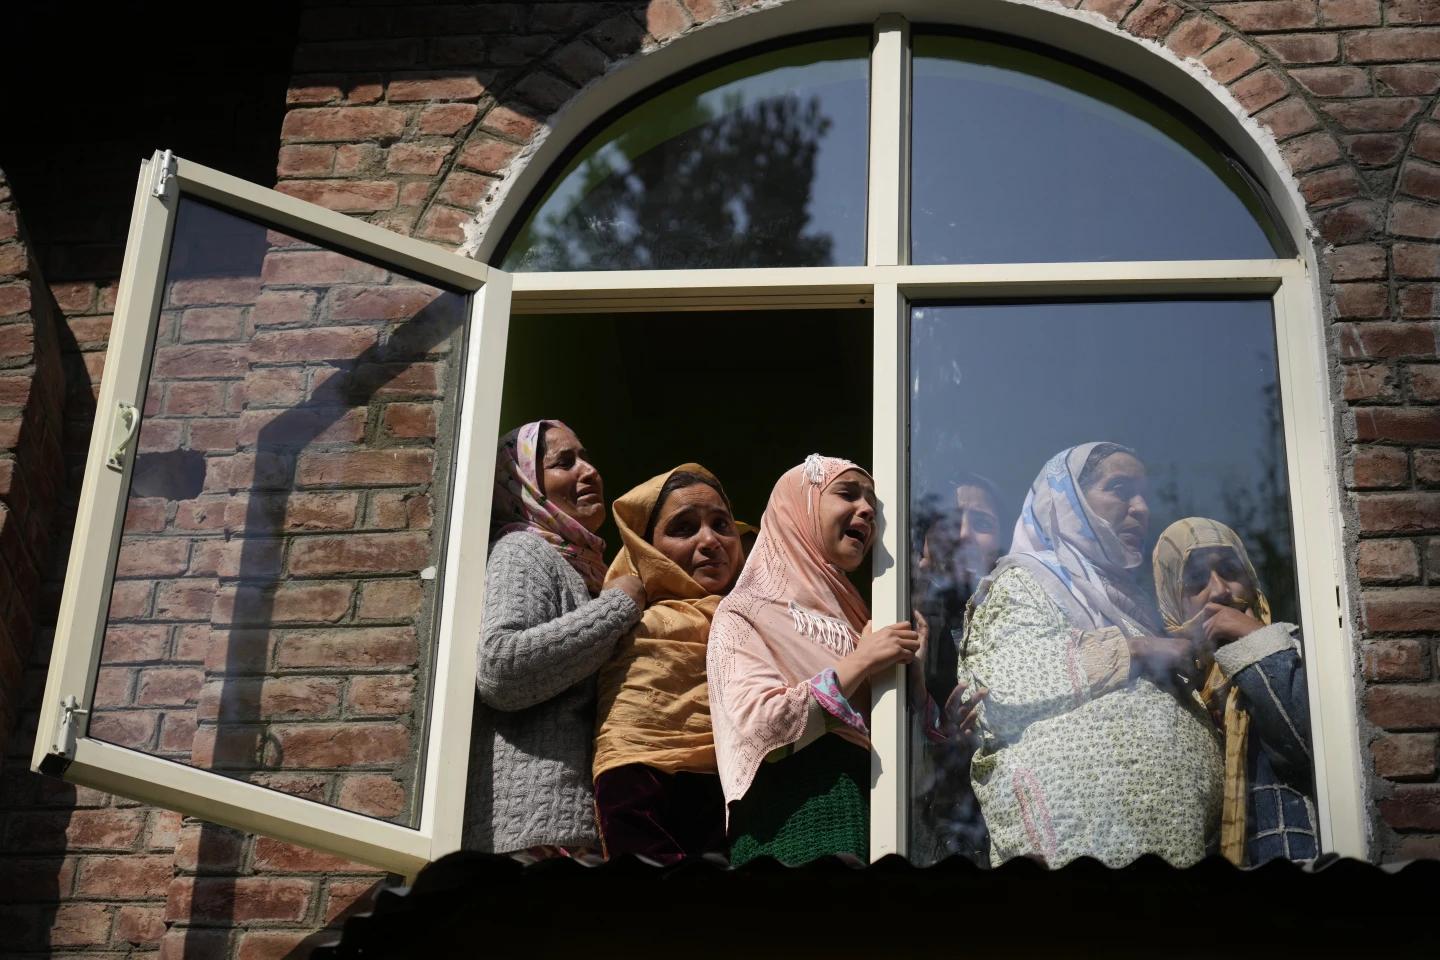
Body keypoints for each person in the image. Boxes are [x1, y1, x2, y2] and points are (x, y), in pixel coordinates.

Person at [959, 442, 1222, 868]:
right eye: (1120, 489)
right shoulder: (1024, 580)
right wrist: (1135, 649)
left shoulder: (1134, 604)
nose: (1140, 508)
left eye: (1145, 496)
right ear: (1067, 500)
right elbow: (1005, 684)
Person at [707, 454, 929, 866]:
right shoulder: (744, 611)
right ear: (800, 509)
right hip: (792, 828)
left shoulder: (862, 622)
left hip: (874, 825)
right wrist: (860, 662)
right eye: (847, 494)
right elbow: (759, 726)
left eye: (873, 506)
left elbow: (919, 769)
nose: (866, 510)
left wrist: (915, 680)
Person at [465, 419, 645, 860]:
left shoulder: (587, 570)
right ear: (523, 482)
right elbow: (500, 671)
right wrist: (617, 608)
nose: (589, 471)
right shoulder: (522, 551)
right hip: (535, 837)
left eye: (586, 458)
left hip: (578, 831)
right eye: (565, 462)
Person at [591, 464, 745, 863]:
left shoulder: (759, 620)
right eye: (683, 528)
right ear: (647, 549)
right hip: (638, 797)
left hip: (737, 800)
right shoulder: (626, 621)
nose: (710, 540)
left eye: (721, 524)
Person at [1153, 517, 1317, 865]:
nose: (1219, 591)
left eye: (1230, 570)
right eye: (1196, 580)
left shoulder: (1297, 651)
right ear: (1171, 599)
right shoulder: (1170, 689)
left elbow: (1308, 747)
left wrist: (1254, 637)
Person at [909, 475, 1004, 863]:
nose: (963, 534)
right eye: (949, 522)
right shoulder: (906, 608)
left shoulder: (1016, 615)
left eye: (980, 523)